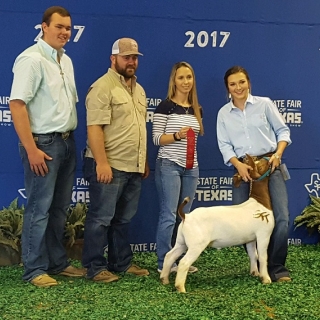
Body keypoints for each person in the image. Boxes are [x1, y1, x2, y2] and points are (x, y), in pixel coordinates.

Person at [9, 6, 85, 287]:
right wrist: (31, 149)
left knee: (59, 208)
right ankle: (33, 269)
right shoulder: (31, 59)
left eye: (68, 27)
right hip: (43, 143)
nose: (65, 32)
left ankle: (57, 262)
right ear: (43, 27)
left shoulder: (66, 60)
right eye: (59, 27)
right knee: (39, 209)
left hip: (67, 141)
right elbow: (17, 105)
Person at [82, 38, 150, 283]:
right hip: (108, 164)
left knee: (123, 219)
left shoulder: (139, 90)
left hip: (133, 165)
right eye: (126, 57)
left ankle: (120, 262)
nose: (131, 62)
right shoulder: (102, 87)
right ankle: (95, 267)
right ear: (113, 59)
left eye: (134, 57)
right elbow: (94, 128)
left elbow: (139, 128)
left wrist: (143, 161)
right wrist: (101, 163)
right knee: (101, 218)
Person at [216, 65, 292, 282]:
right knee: (240, 221)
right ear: (227, 88)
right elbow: (224, 145)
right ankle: (257, 260)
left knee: (281, 217)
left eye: (242, 82)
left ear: (248, 82)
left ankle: (276, 267)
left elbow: (283, 131)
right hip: (243, 170)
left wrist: (277, 154)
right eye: (233, 84)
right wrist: (237, 165)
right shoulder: (223, 113)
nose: (238, 87)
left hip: (270, 167)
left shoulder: (264, 104)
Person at [152, 61, 204, 273]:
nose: (185, 82)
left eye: (189, 77)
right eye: (181, 77)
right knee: (168, 214)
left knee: (186, 215)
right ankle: (163, 263)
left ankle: (180, 260)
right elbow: (156, 139)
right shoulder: (165, 107)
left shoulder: (197, 109)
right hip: (168, 165)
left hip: (192, 168)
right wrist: (176, 136)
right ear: (174, 80)